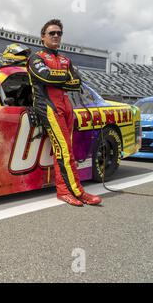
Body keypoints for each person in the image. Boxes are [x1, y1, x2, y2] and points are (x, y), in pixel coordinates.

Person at [26, 19, 102, 206]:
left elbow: (77, 82)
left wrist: (57, 78)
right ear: (43, 36)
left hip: (67, 106)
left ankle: (65, 190)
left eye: (59, 33)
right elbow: (45, 76)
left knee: (66, 151)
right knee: (64, 152)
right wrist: (62, 78)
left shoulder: (65, 60)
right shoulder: (36, 58)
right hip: (48, 107)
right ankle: (76, 191)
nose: (55, 36)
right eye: (51, 33)